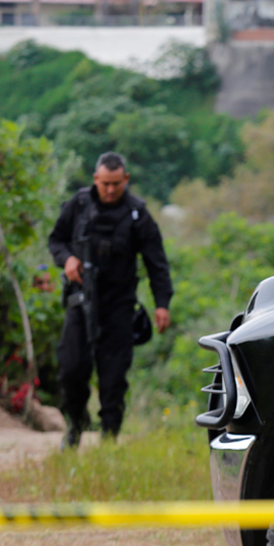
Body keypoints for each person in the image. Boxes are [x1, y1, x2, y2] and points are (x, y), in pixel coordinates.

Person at [48, 152, 173, 448]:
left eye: (117, 184)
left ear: (126, 179)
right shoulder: (78, 205)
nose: (111, 190)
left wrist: (162, 303)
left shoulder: (137, 214)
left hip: (119, 306)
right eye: (105, 183)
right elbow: (56, 240)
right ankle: (75, 424)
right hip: (81, 302)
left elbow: (157, 262)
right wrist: (67, 260)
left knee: (113, 378)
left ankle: (108, 439)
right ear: (96, 179)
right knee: (71, 369)